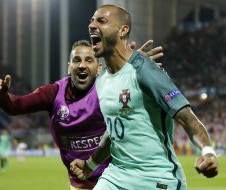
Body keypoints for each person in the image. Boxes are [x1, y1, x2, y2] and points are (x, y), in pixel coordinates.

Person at [70, 4, 218, 190]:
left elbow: (187, 118)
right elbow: (115, 131)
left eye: (101, 20)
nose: (92, 25)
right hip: (116, 176)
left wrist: (208, 151)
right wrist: (90, 165)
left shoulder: (145, 71)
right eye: (91, 20)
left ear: (123, 30)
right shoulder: (102, 80)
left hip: (156, 178)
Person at [0, 39, 163, 189]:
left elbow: (135, 91)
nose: (82, 65)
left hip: (116, 178)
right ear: (69, 67)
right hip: (81, 182)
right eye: (76, 60)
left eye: (89, 60)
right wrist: (2, 96)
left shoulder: (110, 88)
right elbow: (16, 106)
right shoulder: (53, 93)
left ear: (98, 68)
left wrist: (135, 70)